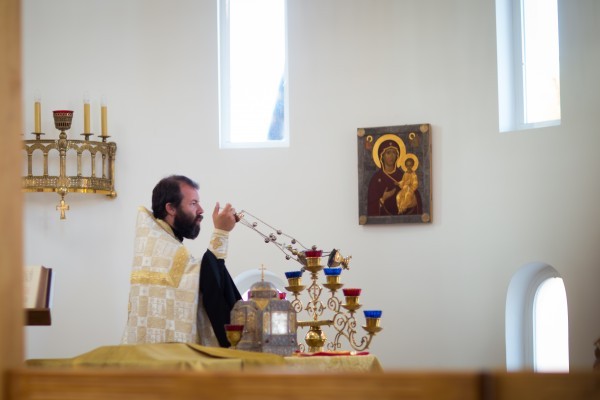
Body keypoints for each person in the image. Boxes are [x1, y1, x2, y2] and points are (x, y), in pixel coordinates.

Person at [121, 175, 241, 347]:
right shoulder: (159, 246)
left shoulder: (163, 239)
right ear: (171, 208)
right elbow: (204, 277)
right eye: (193, 203)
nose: (201, 210)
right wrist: (221, 233)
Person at [367, 140, 405, 215]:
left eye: (394, 153)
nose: (391, 156)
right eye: (388, 153)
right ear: (382, 156)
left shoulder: (402, 176)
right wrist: (383, 198)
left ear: (397, 156)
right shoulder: (376, 179)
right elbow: (371, 206)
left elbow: (415, 196)